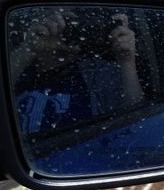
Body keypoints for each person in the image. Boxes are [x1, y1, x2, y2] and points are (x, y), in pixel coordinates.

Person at [10, 8, 143, 134]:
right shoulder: (18, 63)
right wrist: (29, 49)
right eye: (67, 22)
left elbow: (134, 123)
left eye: (83, 23)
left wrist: (127, 62)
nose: (77, 30)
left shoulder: (99, 72)